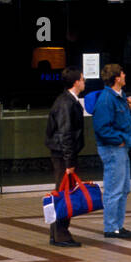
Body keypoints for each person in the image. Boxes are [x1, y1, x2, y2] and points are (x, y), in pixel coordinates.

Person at [93, 62, 131, 239]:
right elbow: (102, 128)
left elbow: (121, 121)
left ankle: (118, 225)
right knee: (114, 188)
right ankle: (111, 227)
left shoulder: (120, 96)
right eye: (123, 74)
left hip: (121, 148)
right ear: (116, 78)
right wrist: (119, 140)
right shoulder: (106, 98)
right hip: (113, 149)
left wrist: (129, 109)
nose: (125, 76)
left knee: (124, 188)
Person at [44, 66, 85, 247]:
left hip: (62, 152)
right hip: (63, 154)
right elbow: (65, 133)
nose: (84, 82)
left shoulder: (68, 101)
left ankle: (56, 232)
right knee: (64, 194)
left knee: (62, 192)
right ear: (76, 82)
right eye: (82, 79)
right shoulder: (66, 103)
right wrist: (69, 161)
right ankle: (61, 233)